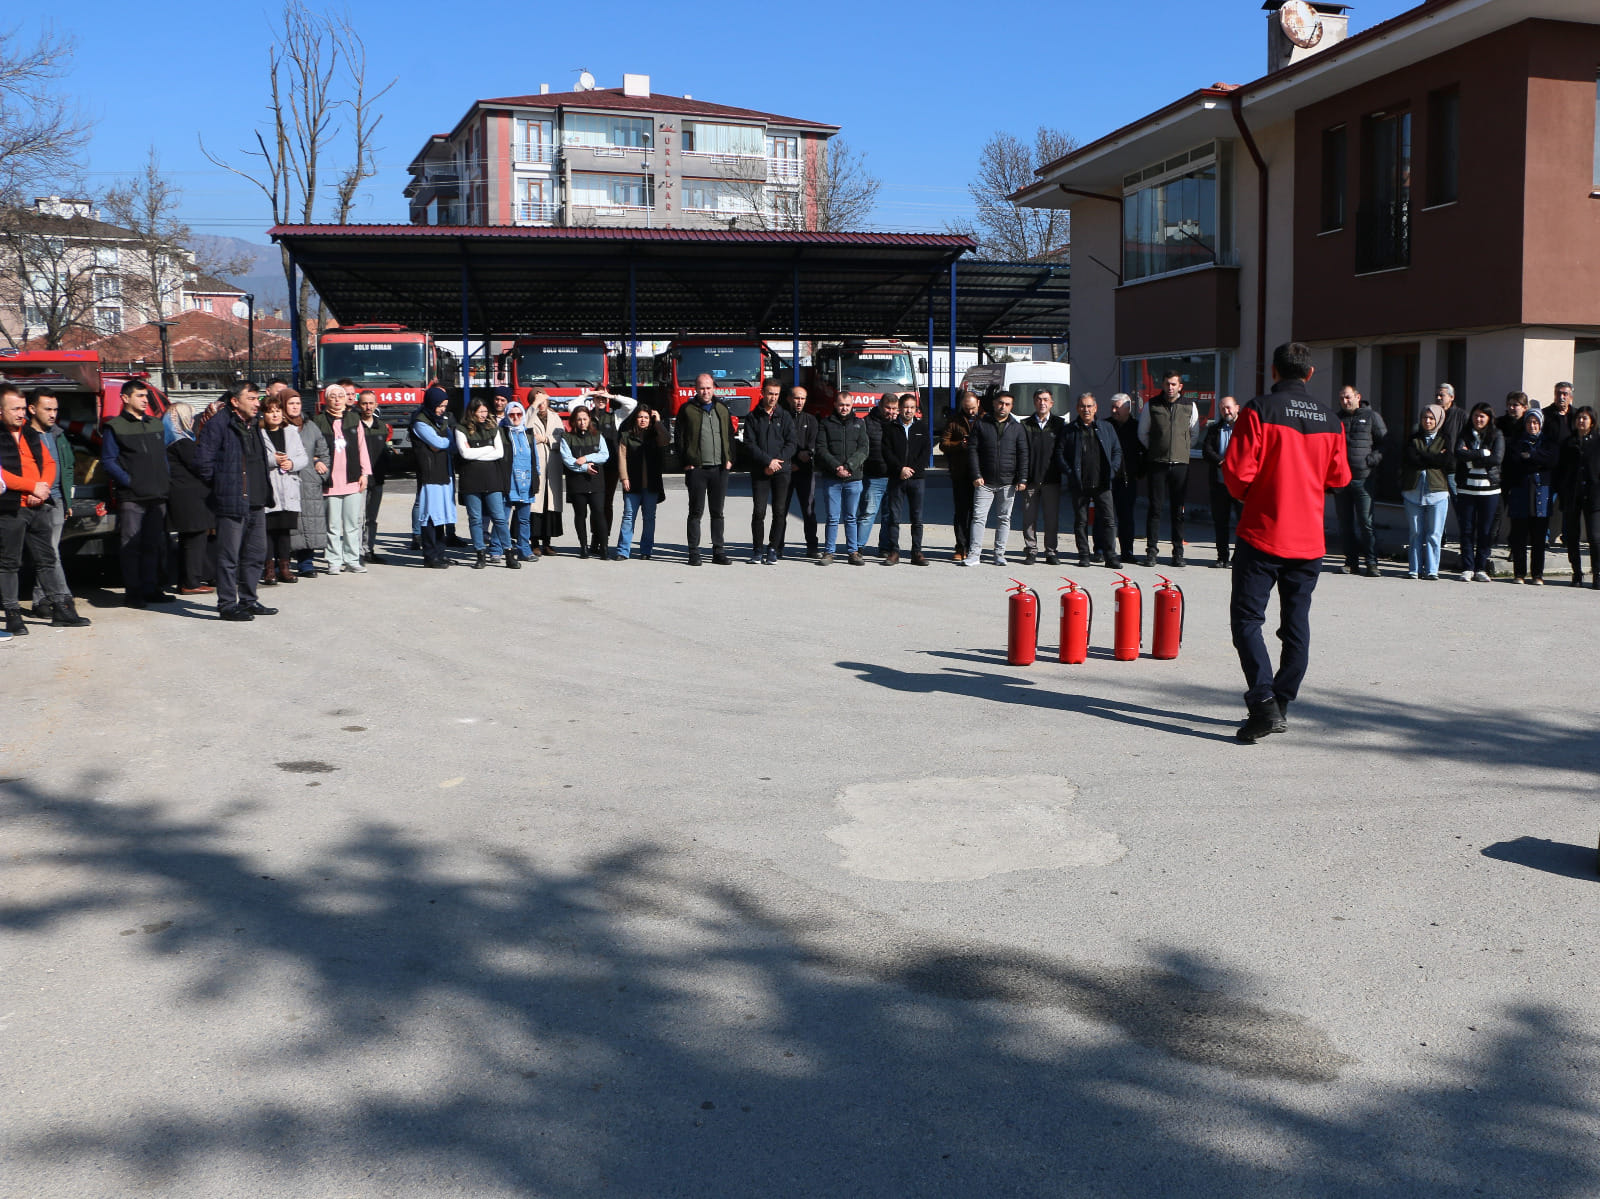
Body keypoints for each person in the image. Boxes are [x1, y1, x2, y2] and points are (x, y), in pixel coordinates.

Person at [1223, 342, 1350, 744]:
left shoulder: (1259, 409)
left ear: (1273, 372)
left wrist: (1257, 495)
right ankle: (1281, 701)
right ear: (1309, 374)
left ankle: (1263, 701)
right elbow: (1340, 478)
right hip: (1309, 540)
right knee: (1296, 626)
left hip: (1263, 532)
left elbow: (1237, 473)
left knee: (1247, 620)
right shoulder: (1331, 418)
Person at [195, 381, 277, 621]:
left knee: (255, 553)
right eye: (251, 398)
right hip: (231, 500)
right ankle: (228, 604)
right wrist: (222, 486)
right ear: (234, 401)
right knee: (229, 556)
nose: (257, 403)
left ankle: (249, 600)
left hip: (256, 499)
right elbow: (202, 462)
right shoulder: (218, 425)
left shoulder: (253, 424)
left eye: (257, 398)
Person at [1, 384, 80, 634]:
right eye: (15, 408)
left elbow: (48, 461)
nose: (20, 413)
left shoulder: (29, 433)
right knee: (9, 563)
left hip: (39, 505)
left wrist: (42, 488)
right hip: (11, 508)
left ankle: (61, 608)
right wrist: (31, 487)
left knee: (47, 559)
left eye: (23, 408)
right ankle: (13, 615)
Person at [100, 377, 173, 606]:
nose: (145, 400)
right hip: (132, 497)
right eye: (140, 396)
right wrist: (129, 481)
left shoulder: (156, 424)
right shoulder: (115, 427)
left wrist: (165, 478)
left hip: (157, 494)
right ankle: (133, 592)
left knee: (153, 544)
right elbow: (109, 461)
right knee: (132, 545)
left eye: (146, 396)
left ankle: (151, 588)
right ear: (125, 398)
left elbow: (163, 456)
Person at [24, 391, 89, 624]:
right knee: (50, 555)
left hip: (57, 501)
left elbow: (68, 465)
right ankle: (63, 601)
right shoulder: (23, 435)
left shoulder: (58, 435)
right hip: (34, 503)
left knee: (50, 553)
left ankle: (41, 601)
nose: (53, 415)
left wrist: (67, 501)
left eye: (55, 410)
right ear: (32, 409)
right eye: (47, 409)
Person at [1137, 371, 1198, 567]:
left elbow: (1194, 433)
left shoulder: (1189, 405)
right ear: (1162, 385)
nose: (1170, 387)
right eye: (1167, 384)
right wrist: (1157, 449)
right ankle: (1151, 552)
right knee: (1155, 509)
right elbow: (1143, 433)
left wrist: (1182, 450)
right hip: (1157, 464)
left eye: (1174, 384)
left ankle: (1177, 553)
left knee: (1177, 511)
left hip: (1180, 465)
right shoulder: (1151, 405)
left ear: (1180, 386)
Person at [311, 383, 372, 575]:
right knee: (333, 524)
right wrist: (315, 461)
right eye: (333, 396)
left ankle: (352, 559)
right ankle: (333, 560)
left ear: (347, 399)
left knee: (352, 523)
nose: (337, 400)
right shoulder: (317, 421)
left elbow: (363, 448)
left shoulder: (355, 419)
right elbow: (308, 447)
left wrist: (365, 473)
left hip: (352, 479)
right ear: (326, 399)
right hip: (330, 481)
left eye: (341, 396)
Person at [1057, 391, 1122, 570]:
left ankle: (1110, 555)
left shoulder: (1106, 428)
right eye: (1083, 406)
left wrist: (1113, 470)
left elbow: (1117, 451)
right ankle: (1084, 555)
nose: (1086, 409)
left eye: (1089, 406)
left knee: (1109, 520)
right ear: (1077, 408)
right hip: (1080, 483)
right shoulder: (1069, 430)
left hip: (1102, 483)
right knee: (1081, 521)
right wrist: (1070, 473)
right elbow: (1060, 454)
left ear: (1096, 408)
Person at [673, 373, 734, 565]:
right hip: (697, 469)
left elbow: (730, 436)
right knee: (696, 512)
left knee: (718, 512)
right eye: (701, 388)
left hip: (719, 470)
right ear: (696, 389)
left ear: (714, 388)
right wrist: (685, 461)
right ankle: (694, 552)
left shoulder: (722, 409)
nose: (705, 391)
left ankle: (718, 551)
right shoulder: (687, 410)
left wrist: (730, 459)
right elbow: (679, 438)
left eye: (708, 388)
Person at [966, 391, 1030, 568]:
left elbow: (1023, 454)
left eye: (1008, 404)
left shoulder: (1017, 427)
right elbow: (972, 450)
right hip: (984, 482)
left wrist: (1022, 478)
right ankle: (974, 554)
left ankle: (999, 554)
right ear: (994, 403)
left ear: (1012, 406)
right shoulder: (981, 424)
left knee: (1004, 518)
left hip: (1008, 482)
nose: (1003, 407)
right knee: (979, 518)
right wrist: (976, 475)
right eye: (1001, 403)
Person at [1333, 385, 1387, 576]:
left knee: (1366, 522)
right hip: (1341, 481)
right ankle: (1351, 561)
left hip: (1363, 479)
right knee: (1345, 523)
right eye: (1341, 398)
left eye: (1348, 397)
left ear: (1358, 397)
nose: (1345, 401)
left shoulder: (1371, 417)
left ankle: (1372, 563)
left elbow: (1384, 443)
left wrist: (1372, 460)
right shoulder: (1336, 419)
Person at [256, 394, 308, 585]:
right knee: (268, 531)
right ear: (263, 415)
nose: (275, 415)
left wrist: (291, 463)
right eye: (270, 412)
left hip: (288, 487)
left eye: (278, 411)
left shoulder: (292, 432)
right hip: (269, 487)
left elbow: (303, 458)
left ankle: (285, 568)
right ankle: (269, 569)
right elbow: (255, 457)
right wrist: (273, 460)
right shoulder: (258, 433)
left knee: (284, 530)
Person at [743, 378, 797, 564]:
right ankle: (757, 550)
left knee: (780, 511)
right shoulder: (752, 417)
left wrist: (777, 462)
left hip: (781, 471)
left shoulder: (785, 416)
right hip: (760, 471)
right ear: (763, 393)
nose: (773, 397)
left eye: (776, 394)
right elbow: (749, 444)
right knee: (759, 511)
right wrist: (767, 462)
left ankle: (773, 548)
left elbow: (792, 444)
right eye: (770, 393)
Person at [164, 403, 215, 595]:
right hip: (189, 497)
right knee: (195, 538)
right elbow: (199, 463)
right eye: (190, 417)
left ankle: (185, 580)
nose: (193, 421)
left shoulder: (171, 439)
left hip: (181, 495)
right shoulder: (181, 441)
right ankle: (191, 582)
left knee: (187, 539)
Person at [455, 397, 511, 569]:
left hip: (492, 478)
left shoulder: (493, 428)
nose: (484, 415)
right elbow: (465, 454)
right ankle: (480, 554)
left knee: (500, 517)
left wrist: (477, 452)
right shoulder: (461, 429)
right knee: (475, 519)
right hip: (471, 479)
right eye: (480, 411)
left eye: (485, 411)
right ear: (472, 412)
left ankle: (508, 552)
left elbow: (499, 453)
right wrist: (488, 449)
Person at [814, 388, 868, 565]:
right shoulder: (825, 424)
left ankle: (853, 552)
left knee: (851, 516)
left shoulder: (860, 424)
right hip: (832, 478)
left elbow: (864, 449)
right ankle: (829, 552)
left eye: (847, 405)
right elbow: (821, 448)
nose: (844, 408)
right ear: (835, 405)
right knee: (832, 517)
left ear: (852, 406)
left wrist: (850, 466)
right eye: (841, 405)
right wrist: (836, 467)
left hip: (854, 478)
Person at [1400, 404, 1455, 580]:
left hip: (1437, 493)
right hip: (1413, 492)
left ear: (1438, 419)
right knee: (1416, 532)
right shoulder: (1413, 438)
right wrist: (1433, 457)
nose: (1428, 421)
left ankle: (1432, 569)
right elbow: (1410, 459)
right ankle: (1414, 569)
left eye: (1431, 418)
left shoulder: (1445, 438)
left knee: (1434, 533)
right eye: (1425, 418)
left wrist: (1423, 456)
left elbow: (1445, 461)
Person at [1504, 406, 1555, 584]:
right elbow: (1515, 461)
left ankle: (1537, 574)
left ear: (1541, 424)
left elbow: (1550, 460)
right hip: (1520, 491)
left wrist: (1532, 456)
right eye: (1529, 422)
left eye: (1535, 422)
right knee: (1519, 536)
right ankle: (1519, 573)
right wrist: (1535, 459)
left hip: (1542, 493)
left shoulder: (1548, 442)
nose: (1532, 426)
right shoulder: (1516, 442)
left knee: (1539, 537)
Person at [1454, 403, 1504, 583]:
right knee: (1466, 529)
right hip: (1466, 488)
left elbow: (1496, 459)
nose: (1478, 419)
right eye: (1476, 415)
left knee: (1485, 530)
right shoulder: (1465, 434)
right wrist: (1482, 453)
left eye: (1482, 416)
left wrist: (1472, 458)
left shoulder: (1496, 434)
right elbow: (1458, 453)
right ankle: (1467, 567)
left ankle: (1481, 567)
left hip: (1489, 489)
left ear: (1489, 418)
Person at [1016, 390, 1065, 565]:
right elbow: (1021, 452)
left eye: (1045, 399)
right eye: (1038, 399)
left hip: (1052, 479)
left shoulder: (1060, 424)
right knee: (1029, 518)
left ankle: (1051, 551)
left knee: (1051, 518)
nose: (1042, 403)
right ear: (1034, 402)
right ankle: (1031, 551)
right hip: (1030, 480)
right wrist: (1021, 477)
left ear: (1052, 403)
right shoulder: (1025, 424)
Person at [410, 387, 456, 568]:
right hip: (429, 474)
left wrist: (445, 442)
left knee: (441, 515)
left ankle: (440, 553)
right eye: (439, 406)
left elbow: (444, 443)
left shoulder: (440, 421)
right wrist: (448, 441)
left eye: (444, 406)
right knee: (430, 515)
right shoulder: (420, 422)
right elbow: (438, 442)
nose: (442, 409)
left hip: (443, 472)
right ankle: (430, 556)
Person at [284, 391, 329, 577]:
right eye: (291, 403)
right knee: (289, 524)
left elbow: (324, 451)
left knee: (310, 522)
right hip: (287, 481)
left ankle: (306, 563)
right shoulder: (278, 426)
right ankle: (282, 563)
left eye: (298, 403)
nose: (295, 407)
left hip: (309, 481)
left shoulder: (311, 427)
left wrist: (321, 470)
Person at [881, 392, 929, 566]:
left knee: (917, 518)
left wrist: (912, 470)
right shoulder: (890, 428)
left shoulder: (922, 428)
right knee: (894, 516)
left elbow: (925, 453)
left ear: (916, 409)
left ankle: (916, 552)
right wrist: (900, 469)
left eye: (912, 407)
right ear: (899, 408)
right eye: (905, 407)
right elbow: (886, 452)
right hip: (897, 478)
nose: (908, 411)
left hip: (917, 480)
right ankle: (894, 551)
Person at [617, 404, 668, 560]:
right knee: (628, 516)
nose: (643, 420)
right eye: (640, 417)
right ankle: (622, 551)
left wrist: (658, 421)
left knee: (649, 518)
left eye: (646, 417)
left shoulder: (655, 435)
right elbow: (622, 458)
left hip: (651, 484)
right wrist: (624, 477)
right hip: (632, 483)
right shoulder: (626, 436)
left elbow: (666, 439)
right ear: (635, 418)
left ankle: (646, 550)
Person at [1556, 405, 1600, 588]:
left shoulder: (1598, 441)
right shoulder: (1569, 442)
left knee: (1595, 537)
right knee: (1572, 536)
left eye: (1585, 418)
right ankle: (1577, 573)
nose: (1581, 421)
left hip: (1594, 495)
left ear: (1592, 422)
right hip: (1572, 495)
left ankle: (1597, 574)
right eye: (1579, 418)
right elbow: (1561, 469)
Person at [561, 404, 610, 557]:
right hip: (577, 483)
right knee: (580, 515)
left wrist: (586, 458)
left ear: (589, 420)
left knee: (599, 513)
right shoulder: (566, 438)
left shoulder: (598, 436)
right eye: (579, 419)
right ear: (574, 421)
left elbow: (604, 455)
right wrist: (584, 468)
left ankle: (604, 548)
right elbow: (568, 461)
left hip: (596, 482)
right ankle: (583, 546)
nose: (582, 422)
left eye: (585, 419)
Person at [1200, 396, 1242, 568]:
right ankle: (1222, 556)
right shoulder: (1214, 429)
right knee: (1220, 522)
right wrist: (1221, 462)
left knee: (1242, 524)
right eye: (1223, 408)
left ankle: (1238, 557)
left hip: (1240, 485)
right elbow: (1206, 450)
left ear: (1237, 408)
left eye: (1229, 408)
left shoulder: (1245, 428)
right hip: (1219, 483)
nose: (1227, 411)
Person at [940, 391, 981, 562]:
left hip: (980, 473)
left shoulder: (985, 419)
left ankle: (975, 547)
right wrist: (960, 444)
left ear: (978, 403)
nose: (970, 411)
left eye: (972, 408)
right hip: (960, 472)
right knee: (962, 512)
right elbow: (943, 444)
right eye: (966, 408)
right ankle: (961, 547)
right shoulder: (954, 420)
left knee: (977, 513)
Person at [855, 393, 897, 556]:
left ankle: (885, 547)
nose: (891, 412)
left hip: (893, 476)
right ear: (880, 406)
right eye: (888, 408)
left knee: (889, 515)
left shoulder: (898, 424)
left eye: (894, 409)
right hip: (873, 476)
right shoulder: (867, 422)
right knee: (868, 513)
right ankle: (858, 547)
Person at [526, 389, 566, 555]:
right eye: (539, 400)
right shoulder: (529, 414)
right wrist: (534, 404)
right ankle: (534, 542)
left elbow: (562, 438)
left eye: (544, 399)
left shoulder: (555, 417)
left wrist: (546, 439)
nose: (542, 403)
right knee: (536, 505)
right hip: (536, 465)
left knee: (550, 503)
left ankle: (547, 542)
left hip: (553, 465)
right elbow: (524, 426)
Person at [355, 390, 391, 564]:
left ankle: (369, 549)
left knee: (371, 517)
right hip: (359, 479)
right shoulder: (353, 426)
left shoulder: (382, 427)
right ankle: (357, 552)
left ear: (376, 405)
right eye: (364, 403)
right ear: (358, 405)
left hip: (378, 478)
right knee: (358, 517)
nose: (368, 407)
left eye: (371, 403)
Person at [500, 401, 537, 568]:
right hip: (508, 482)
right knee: (502, 518)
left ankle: (524, 550)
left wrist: (537, 477)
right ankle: (496, 549)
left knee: (524, 520)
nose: (515, 417)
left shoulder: (528, 433)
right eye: (512, 415)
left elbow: (534, 459)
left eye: (519, 414)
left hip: (526, 482)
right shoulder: (502, 433)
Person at [785, 386, 821, 558]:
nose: (799, 402)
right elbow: (779, 444)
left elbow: (812, 447)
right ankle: (776, 546)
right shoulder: (782, 418)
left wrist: (799, 462)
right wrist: (789, 462)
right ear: (789, 399)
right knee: (780, 511)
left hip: (805, 472)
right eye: (796, 398)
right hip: (784, 472)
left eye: (802, 398)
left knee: (808, 510)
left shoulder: (812, 420)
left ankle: (812, 546)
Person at [1107, 394, 1143, 565]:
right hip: (1107, 479)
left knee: (1126, 518)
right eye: (1112, 407)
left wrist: (1139, 472)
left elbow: (1144, 451)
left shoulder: (1137, 427)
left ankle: (1127, 551)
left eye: (1118, 407)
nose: (1114, 410)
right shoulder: (1105, 425)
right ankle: (1103, 550)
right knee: (1105, 517)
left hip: (1128, 479)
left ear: (1128, 408)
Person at [1545, 381, 1577, 554]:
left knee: (1568, 506)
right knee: (1546, 504)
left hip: (1569, 470)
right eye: (1558, 393)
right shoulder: (1546, 415)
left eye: (1565, 393)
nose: (1561, 397)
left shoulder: (1577, 415)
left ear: (1571, 395)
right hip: (1549, 469)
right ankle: (1544, 537)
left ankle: (1567, 537)